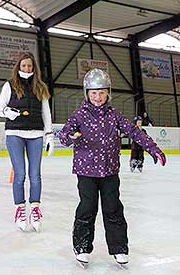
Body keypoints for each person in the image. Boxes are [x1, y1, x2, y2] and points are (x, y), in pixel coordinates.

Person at [59, 68, 166, 266]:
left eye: (101, 92)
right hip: (86, 171)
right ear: (87, 94)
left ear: (108, 92)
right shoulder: (79, 115)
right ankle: (82, 246)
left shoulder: (114, 115)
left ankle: (119, 248)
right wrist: (69, 137)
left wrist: (153, 149)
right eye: (93, 93)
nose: (98, 97)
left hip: (109, 170)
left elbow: (134, 132)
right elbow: (63, 135)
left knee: (113, 208)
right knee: (87, 207)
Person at [0, 52, 54, 232]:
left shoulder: (41, 87)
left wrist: (49, 135)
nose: (27, 69)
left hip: (35, 134)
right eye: (23, 66)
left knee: (35, 175)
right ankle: (20, 209)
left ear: (33, 68)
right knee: (20, 175)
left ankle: (35, 209)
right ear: (18, 67)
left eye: (29, 66)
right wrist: (7, 112)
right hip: (14, 133)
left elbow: (46, 113)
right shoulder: (10, 85)